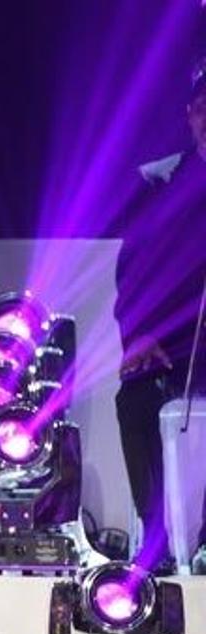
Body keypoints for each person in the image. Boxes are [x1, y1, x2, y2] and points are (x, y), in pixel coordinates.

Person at [114, 56, 206, 571]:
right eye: (201, 107)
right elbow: (133, 273)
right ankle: (157, 536)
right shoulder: (166, 185)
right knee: (135, 400)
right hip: (174, 344)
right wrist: (140, 333)